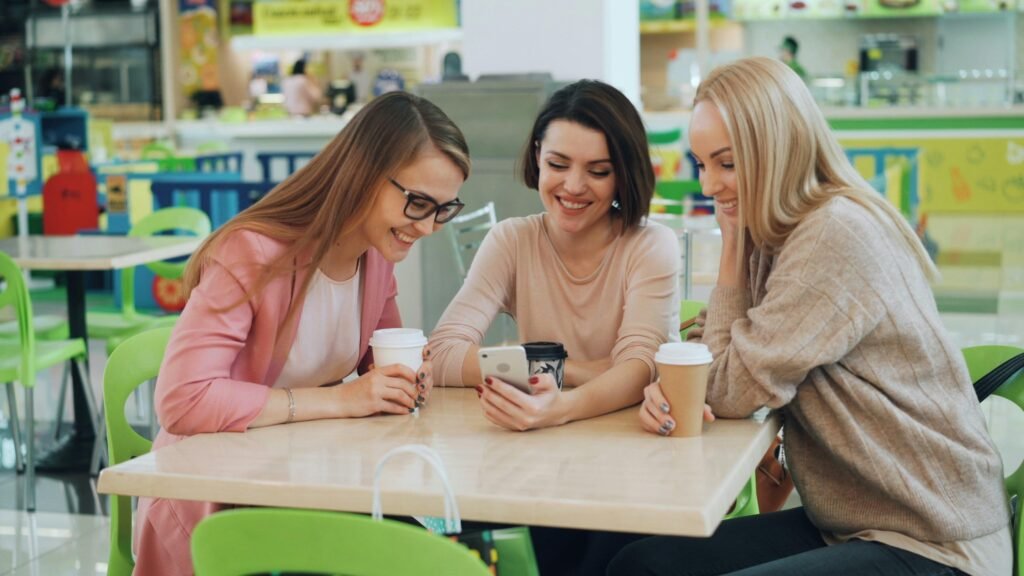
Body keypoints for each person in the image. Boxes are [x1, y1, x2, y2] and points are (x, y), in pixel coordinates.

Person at [611, 57, 1010, 576]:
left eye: (727, 164)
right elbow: (717, 346)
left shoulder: (832, 234)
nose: (709, 186)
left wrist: (730, 245)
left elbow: (728, 388)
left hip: (932, 539)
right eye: (701, 163)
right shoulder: (782, 231)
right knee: (642, 565)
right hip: (852, 519)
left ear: (777, 149)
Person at [133, 91, 471, 575]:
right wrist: (341, 399)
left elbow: (377, 366)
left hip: (311, 482)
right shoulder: (251, 253)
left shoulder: (375, 257)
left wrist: (406, 380)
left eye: (444, 209)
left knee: (439, 553)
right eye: (418, 202)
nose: (429, 227)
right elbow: (183, 400)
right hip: (222, 502)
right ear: (364, 172)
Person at [428, 78, 681, 576]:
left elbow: (638, 367)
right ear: (537, 157)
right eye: (558, 165)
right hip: (533, 467)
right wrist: (577, 371)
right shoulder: (512, 241)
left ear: (624, 174)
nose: (572, 187)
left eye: (598, 171)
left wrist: (556, 399)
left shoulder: (649, 246)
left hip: (631, 470)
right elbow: (439, 355)